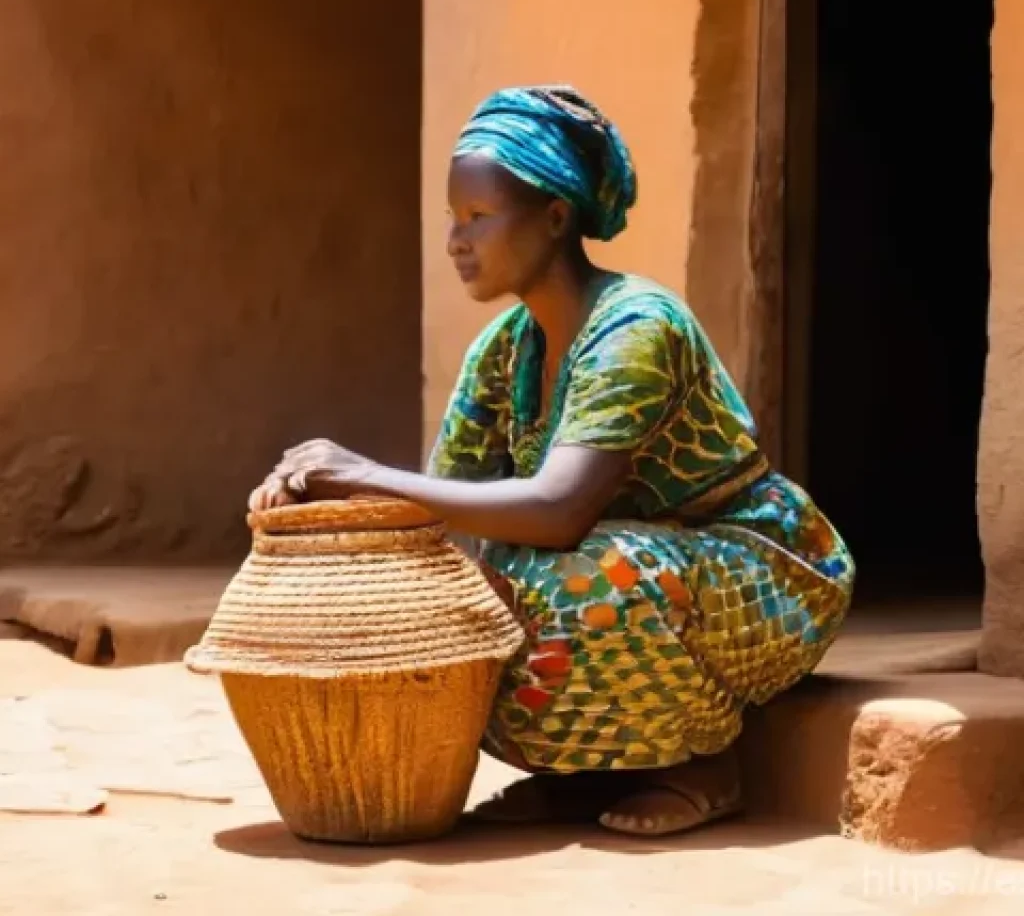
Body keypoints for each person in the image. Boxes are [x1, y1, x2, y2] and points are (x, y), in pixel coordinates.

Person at [249, 85, 855, 837]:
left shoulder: (637, 324)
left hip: (767, 580)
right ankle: (578, 777)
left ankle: (703, 763)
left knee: (581, 577)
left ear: (556, 217)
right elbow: (442, 509)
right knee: (457, 600)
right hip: (636, 569)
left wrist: (364, 471)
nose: (455, 240)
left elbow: (560, 510)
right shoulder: (505, 349)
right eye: (452, 217)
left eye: (478, 217)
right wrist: (316, 493)